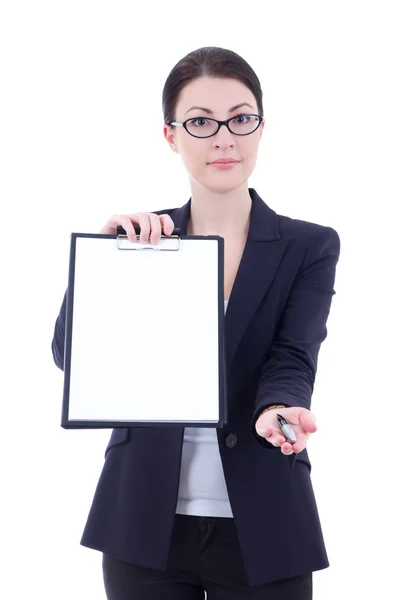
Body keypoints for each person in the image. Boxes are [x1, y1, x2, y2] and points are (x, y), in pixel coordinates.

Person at [51, 46, 340, 600]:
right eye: (201, 122)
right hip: (143, 523)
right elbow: (72, 358)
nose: (224, 138)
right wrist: (105, 262)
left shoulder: (309, 245)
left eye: (240, 118)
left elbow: (293, 355)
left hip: (265, 520)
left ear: (260, 127)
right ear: (171, 136)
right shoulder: (144, 243)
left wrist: (279, 409)